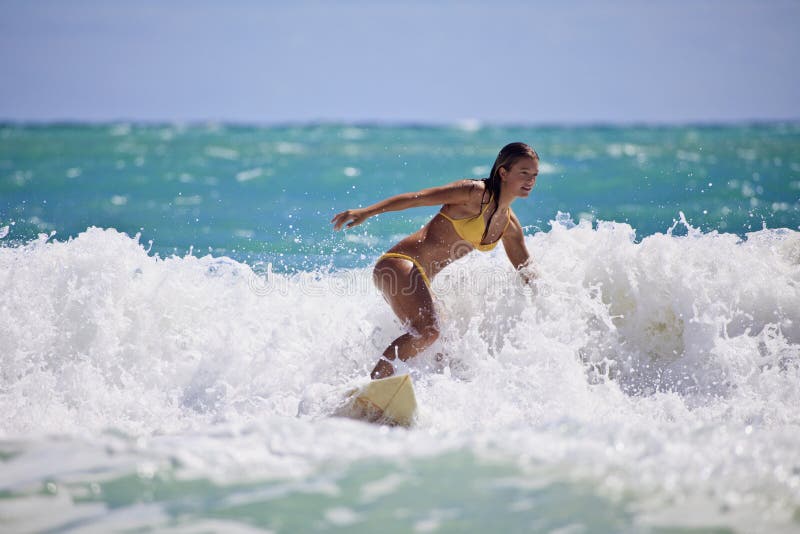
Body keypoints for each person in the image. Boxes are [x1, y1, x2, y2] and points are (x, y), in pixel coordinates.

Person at [331, 142, 539, 379]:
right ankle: (372, 387)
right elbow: (416, 199)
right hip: (399, 264)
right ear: (503, 172)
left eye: (534, 175)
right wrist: (366, 212)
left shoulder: (509, 226)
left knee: (447, 351)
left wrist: (552, 305)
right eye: (524, 172)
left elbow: (527, 271)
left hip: (419, 278)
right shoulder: (474, 193)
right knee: (428, 331)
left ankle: (396, 395)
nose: (530, 180)